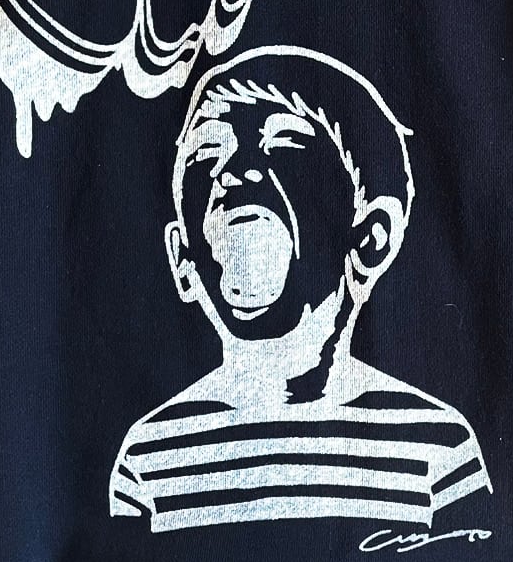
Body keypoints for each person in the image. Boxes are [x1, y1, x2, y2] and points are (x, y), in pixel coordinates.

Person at [108, 44, 491, 533]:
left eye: (283, 141)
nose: (234, 170)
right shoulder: (148, 461)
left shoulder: (437, 453)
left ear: (370, 239)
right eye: (208, 151)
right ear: (182, 258)